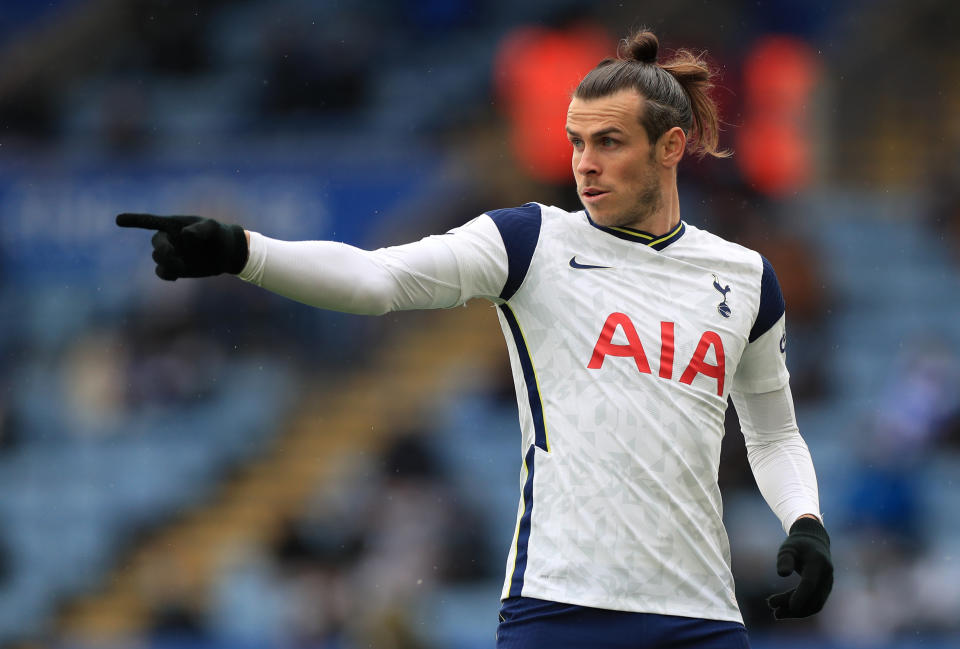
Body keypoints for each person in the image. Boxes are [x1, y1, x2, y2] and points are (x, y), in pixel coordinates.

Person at [117, 28, 833, 649]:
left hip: (699, 616)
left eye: (609, 142)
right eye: (577, 141)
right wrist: (244, 251)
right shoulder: (531, 241)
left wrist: (806, 522)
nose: (584, 162)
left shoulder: (743, 277)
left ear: (671, 146)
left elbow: (773, 435)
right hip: (560, 609)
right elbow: (376, 280)